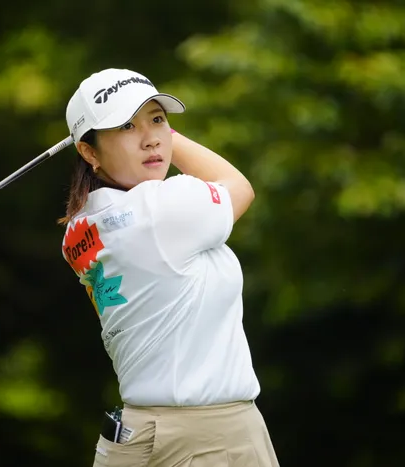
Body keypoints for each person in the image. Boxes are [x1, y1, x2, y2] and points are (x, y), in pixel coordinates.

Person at [59, 68, 279, 467]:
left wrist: (147, 135)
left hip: (139, 434)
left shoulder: (80, 229)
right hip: (208, 438)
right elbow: (238, 186)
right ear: (89, 152)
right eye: (127, 126)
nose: (151, 139)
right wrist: (170, 139)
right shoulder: (160, 209)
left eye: (157, 120)